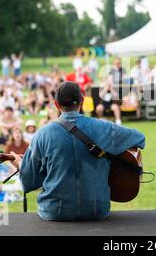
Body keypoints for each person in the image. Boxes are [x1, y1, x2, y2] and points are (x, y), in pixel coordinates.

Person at [11, 81, 145, 221]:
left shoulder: (42, 134)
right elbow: (140, 138)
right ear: (81, 101)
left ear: (56, 104)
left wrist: (21, 164)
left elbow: (28, 182)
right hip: (96, 210)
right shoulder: (104, 127)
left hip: (55, 211)